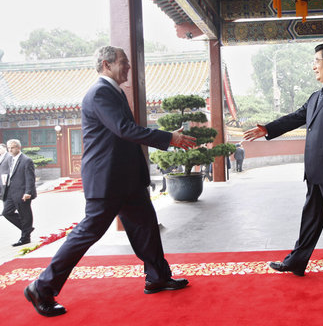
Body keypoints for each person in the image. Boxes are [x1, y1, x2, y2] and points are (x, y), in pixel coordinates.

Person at [24, 46, 197, 317]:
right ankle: (41, 287)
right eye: (123, 62)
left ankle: (157, 277)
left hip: (125, 179)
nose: (128, 67)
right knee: (88, 232)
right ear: (106, 64)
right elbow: (124, 129)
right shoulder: (100, 93)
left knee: (146, 225)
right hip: (107, 179)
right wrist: (168, 138)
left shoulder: (113, 91)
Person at [243, 43, 323, 291]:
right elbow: (295, 118)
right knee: (310, 219)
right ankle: (296, 262)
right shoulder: (316, 96)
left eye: (317, 61)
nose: (313, 66)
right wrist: (268, 128)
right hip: (315, 171)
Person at [1, 139, 37, 246]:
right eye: (8, 148)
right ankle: (27, 228)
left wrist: (28, 192)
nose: (10, 150)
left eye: (12, 147)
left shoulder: (26, 160)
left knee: (25, 214)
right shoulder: (9, 160)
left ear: (18, 147)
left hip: (23, 192)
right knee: (6, 213)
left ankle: (25, 238)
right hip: (10, 192)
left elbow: (30, 178)